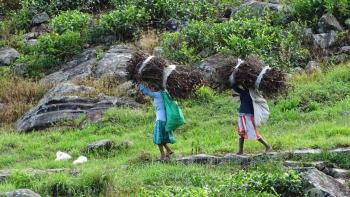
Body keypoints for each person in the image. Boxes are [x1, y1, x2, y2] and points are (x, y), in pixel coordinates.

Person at [138, 82, 175, 161]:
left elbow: (146, 92)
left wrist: (140, 84)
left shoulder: (157, 94)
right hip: (165, 120)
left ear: (155, 88)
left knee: (158, 139)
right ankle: (169, 150)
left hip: (160, 120)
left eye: (152, 86)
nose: (152, 88)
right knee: (162, 137)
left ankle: (162, 155)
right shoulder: (165, 93)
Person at [232, 83, 271, 155]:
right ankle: (240, 151)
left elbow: (235, 88)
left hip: (249, 116)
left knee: (253, 132)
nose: (243, 85)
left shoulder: (252, 93)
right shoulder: (244, 92)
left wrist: (233, 82)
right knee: (241, 132)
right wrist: (232, 80)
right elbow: (235, 88)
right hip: (242, 114)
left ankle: (267, 146)